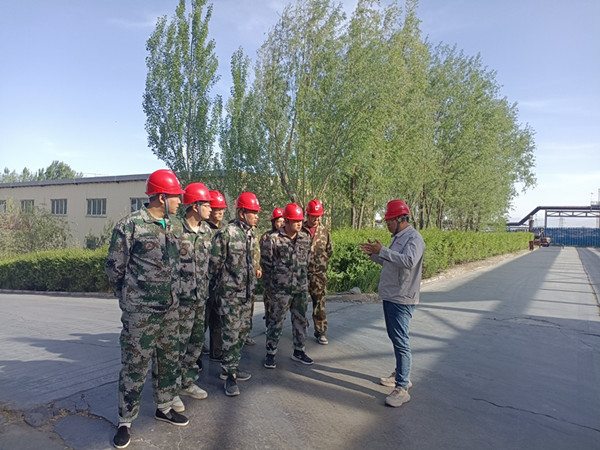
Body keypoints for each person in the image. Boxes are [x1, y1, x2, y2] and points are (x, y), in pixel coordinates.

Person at [106, 169, 189, 449]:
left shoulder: (175, 225)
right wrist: (129, 299)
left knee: (168, 361)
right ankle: (125, 421)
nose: (180, 201)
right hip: (140, 312)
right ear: (161, 197)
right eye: (176, 196)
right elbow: (114, 268)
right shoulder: (131, 225)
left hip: (170, 309)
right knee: (135, 365)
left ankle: (164, 407)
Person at [359, 199, 425, 408]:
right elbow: (390, 261)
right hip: (392, 295)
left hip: (402, 297)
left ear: (401, 219)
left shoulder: (414, 238)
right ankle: (400, 373)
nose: (387, 225)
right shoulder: (398, 238)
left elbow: (409, 261)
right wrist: (374, 254)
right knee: (396, 338)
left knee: (400, 340)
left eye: (389, 221)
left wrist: (383, 251)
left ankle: (402, 388)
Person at [209, 192, 261, 396]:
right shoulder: (227, 234)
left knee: (242, 331)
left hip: (246, 294)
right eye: (253, 212)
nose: (256, 216)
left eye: (257, 212)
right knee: (230, 333)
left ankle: (232, 367)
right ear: (242, 213)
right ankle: (229, 375)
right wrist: (219, 288)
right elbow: (214, 264)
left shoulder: (251, 235)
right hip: (229, 294)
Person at [261, 203, 313, 369]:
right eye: (295, 221)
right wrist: (270, 288)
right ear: (287, 221)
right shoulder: (274, 240)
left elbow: (308, 261)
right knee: (276, 321)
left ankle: (299, 350)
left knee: (301, 320)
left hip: (300, 288)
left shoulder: (305, 238)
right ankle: (271, 353)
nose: (299, 223)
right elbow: (266, 264)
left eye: (300, 220)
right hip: (280, 290)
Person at [176, 182, 213, 408]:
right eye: (206, 205)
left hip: (201, 298)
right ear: (195, 206)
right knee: (178, 344)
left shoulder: (207, 231)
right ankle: (171, 389)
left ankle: (187, 382)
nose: (210, 209)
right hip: (182, 300)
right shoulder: (176, 230)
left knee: (196, 342)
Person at [302, 199, 333, 345]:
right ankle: (301, 330)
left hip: (318, 275)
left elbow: (329, 250)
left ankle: (321, 332)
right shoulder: (300, 231)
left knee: (319, 304)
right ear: (307, 215)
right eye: (314, 216)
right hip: (302, 274)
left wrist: (321, 263)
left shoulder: (324, 231)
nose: (316, 219)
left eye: (318, 216)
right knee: (300, 305)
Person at [203, 190, 227, 361]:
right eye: (216, 209)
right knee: (202, 319)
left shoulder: (225, 230)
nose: (219, 212)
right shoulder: (202, 229)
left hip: (220, 282)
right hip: (205, 281)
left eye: (222, 209)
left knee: (218, 317)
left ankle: (216, 351)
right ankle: (195, 354)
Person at [260, 207, 285, 328]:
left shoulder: (287, 236)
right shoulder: (267, 237)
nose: (281, 224)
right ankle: (269, 325)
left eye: (283, 221)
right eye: (278, 221)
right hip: (269, 276)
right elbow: (263, 256)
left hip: (282, 277)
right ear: (273, 222)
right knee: (269, 301)